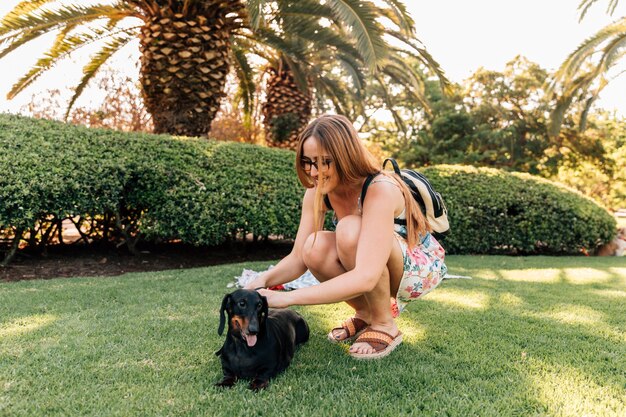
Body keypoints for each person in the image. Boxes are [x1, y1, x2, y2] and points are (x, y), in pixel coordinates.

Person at [245, 114, 447, 359]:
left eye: (323, 162)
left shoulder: (380, 188)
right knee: (313, 246)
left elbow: (366, 276)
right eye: (307, 162)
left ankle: (385, 325)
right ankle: (366, 315)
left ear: (345, 156)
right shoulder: (318, 192)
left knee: (349, 229)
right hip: (375, 265)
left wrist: (286, 298)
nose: (313, 171)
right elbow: (299, 257)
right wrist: (259, 282)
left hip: (419, 269)